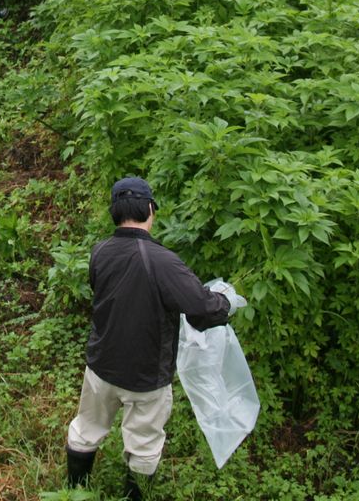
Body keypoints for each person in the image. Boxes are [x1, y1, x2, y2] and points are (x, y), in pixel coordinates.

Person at [65, 177, 235, 499]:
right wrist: (224, 302)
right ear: (149, 209)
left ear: (115, 212)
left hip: (100, 366)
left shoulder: (99, 251)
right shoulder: (163, 260)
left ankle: (74, 491)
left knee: (86, 428)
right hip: (146, 378)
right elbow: (201, 307)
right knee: (143, 444)